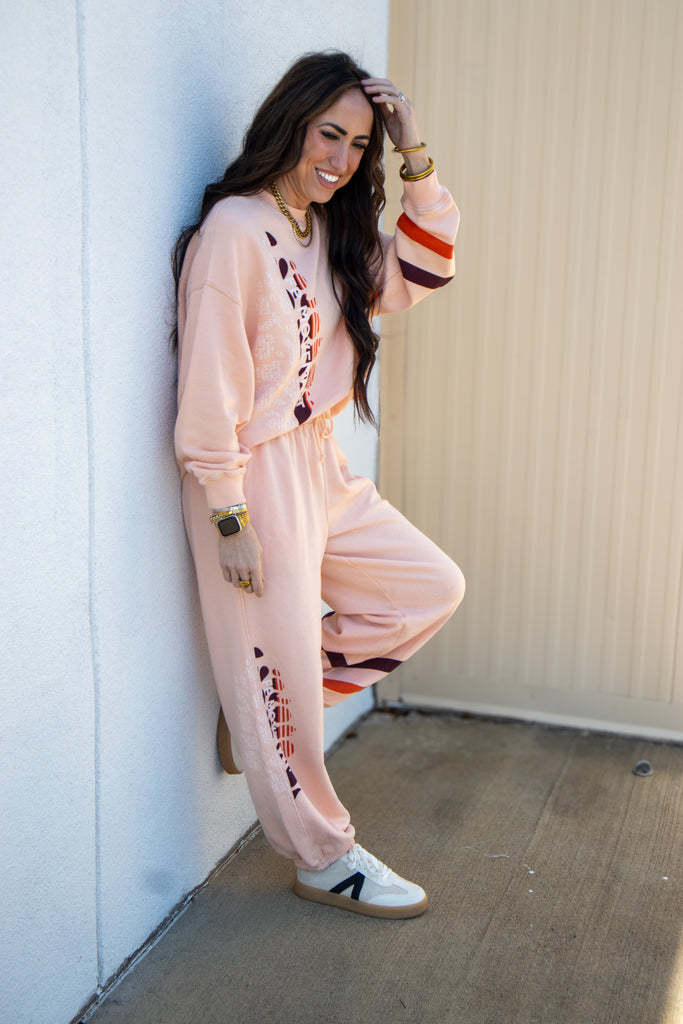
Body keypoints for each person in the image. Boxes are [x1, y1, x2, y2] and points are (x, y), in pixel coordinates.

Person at [173, 51, 465, 919]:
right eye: (327, 134)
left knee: (427, 587)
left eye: (358, 145)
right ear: (288, 124)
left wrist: (414, 154)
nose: (339, 159)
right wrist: (229, 517)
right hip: (252, 478)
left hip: (319, 463)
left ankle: (261, 720)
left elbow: (425, 268)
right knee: (279, 665)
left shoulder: (324, 228)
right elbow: (208, 387)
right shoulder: (235, 230)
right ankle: (320, 857)